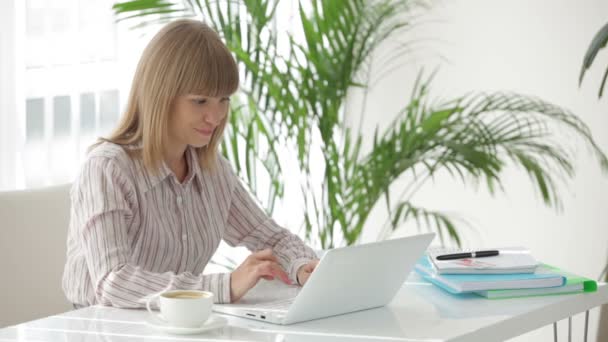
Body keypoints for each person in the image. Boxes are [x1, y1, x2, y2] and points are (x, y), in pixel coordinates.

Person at [62, 19, 319, 309]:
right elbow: (112, 283)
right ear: (161, 96)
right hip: (100, 327)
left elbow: (269, 237)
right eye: (200, 101)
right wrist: (224, 286)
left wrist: (302, 265)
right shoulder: (107, 170)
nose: (216, 116)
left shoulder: (213, 171)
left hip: (177, 327)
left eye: (223, 100)